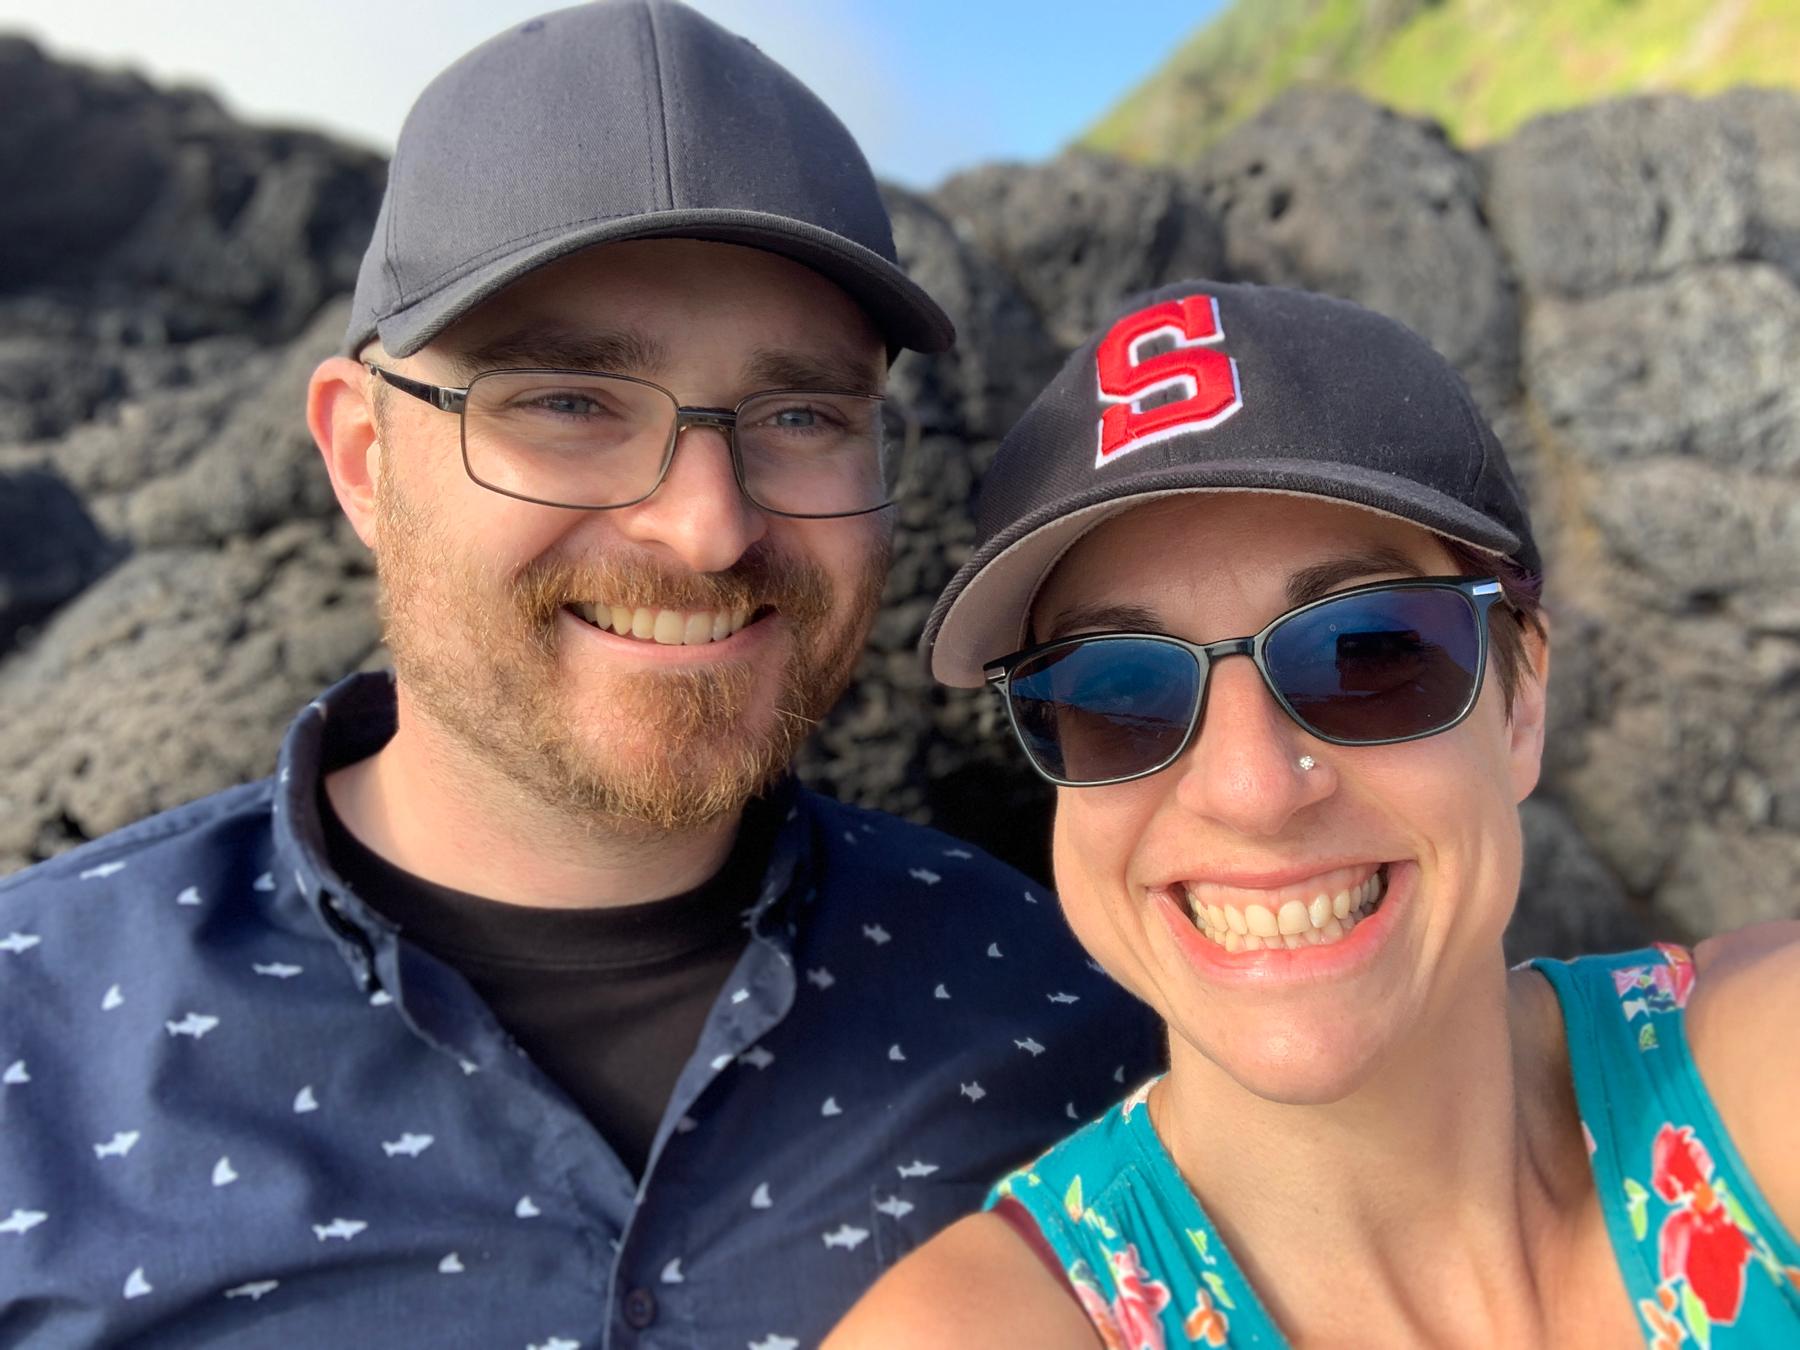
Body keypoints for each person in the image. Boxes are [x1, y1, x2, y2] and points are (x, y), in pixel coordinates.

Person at [0, 5, 1160, 1346]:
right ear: (362, 458)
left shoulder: (1067, 1008)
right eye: (568, 402)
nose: (708, 524)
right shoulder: (32, 1048)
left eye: (800, 416)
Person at [827, 280, 1800, 1347]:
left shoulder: (1763, 1078)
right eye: (1116, 693)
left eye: (1368, 651)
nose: (1250, 789)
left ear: (1521, 701)